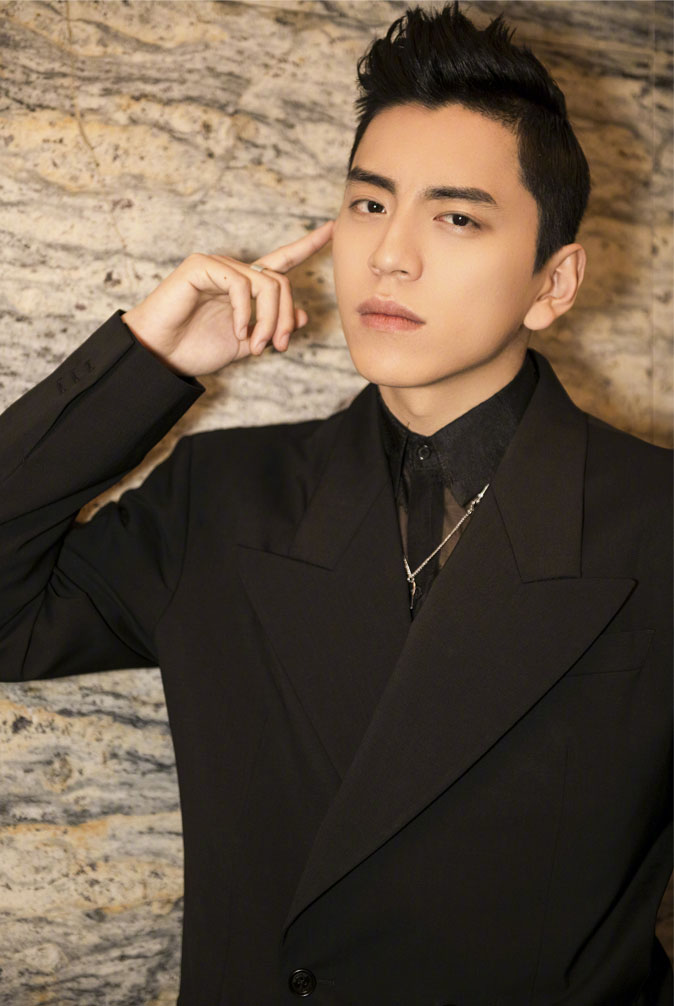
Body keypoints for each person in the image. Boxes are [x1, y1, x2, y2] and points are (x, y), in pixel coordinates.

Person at [1, 2, 671, 1003]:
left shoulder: (656, 523)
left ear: (554, 280)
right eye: (367, 203)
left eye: (455, 217)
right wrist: (144, 364)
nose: (389, 254)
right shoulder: (221, 499)